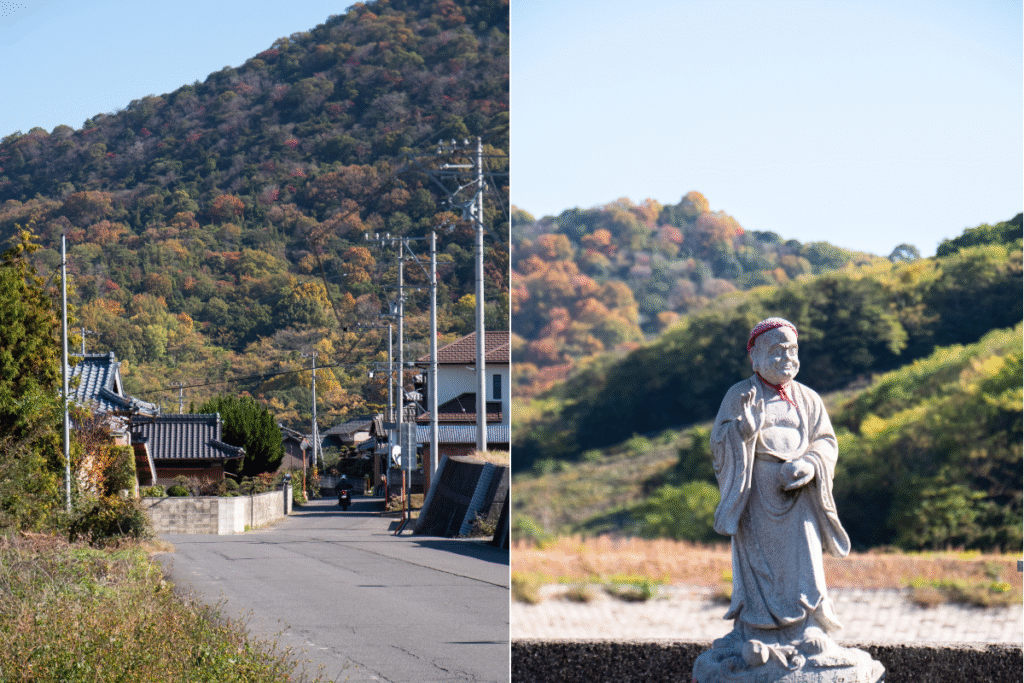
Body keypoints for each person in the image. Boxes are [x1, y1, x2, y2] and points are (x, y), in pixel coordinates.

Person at [711, 318, 850, 640]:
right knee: (761, 562)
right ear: (755, 358)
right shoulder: (740, 394)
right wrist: (743, 432)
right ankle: (757, 630)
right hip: (757, 493)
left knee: (807, 559)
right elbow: (719, 442)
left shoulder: (809, 398)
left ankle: (810, 627)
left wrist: (812, 465)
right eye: (776, 351)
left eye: (792, 350)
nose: (786, 358)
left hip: (799, 496)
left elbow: (826, 441)